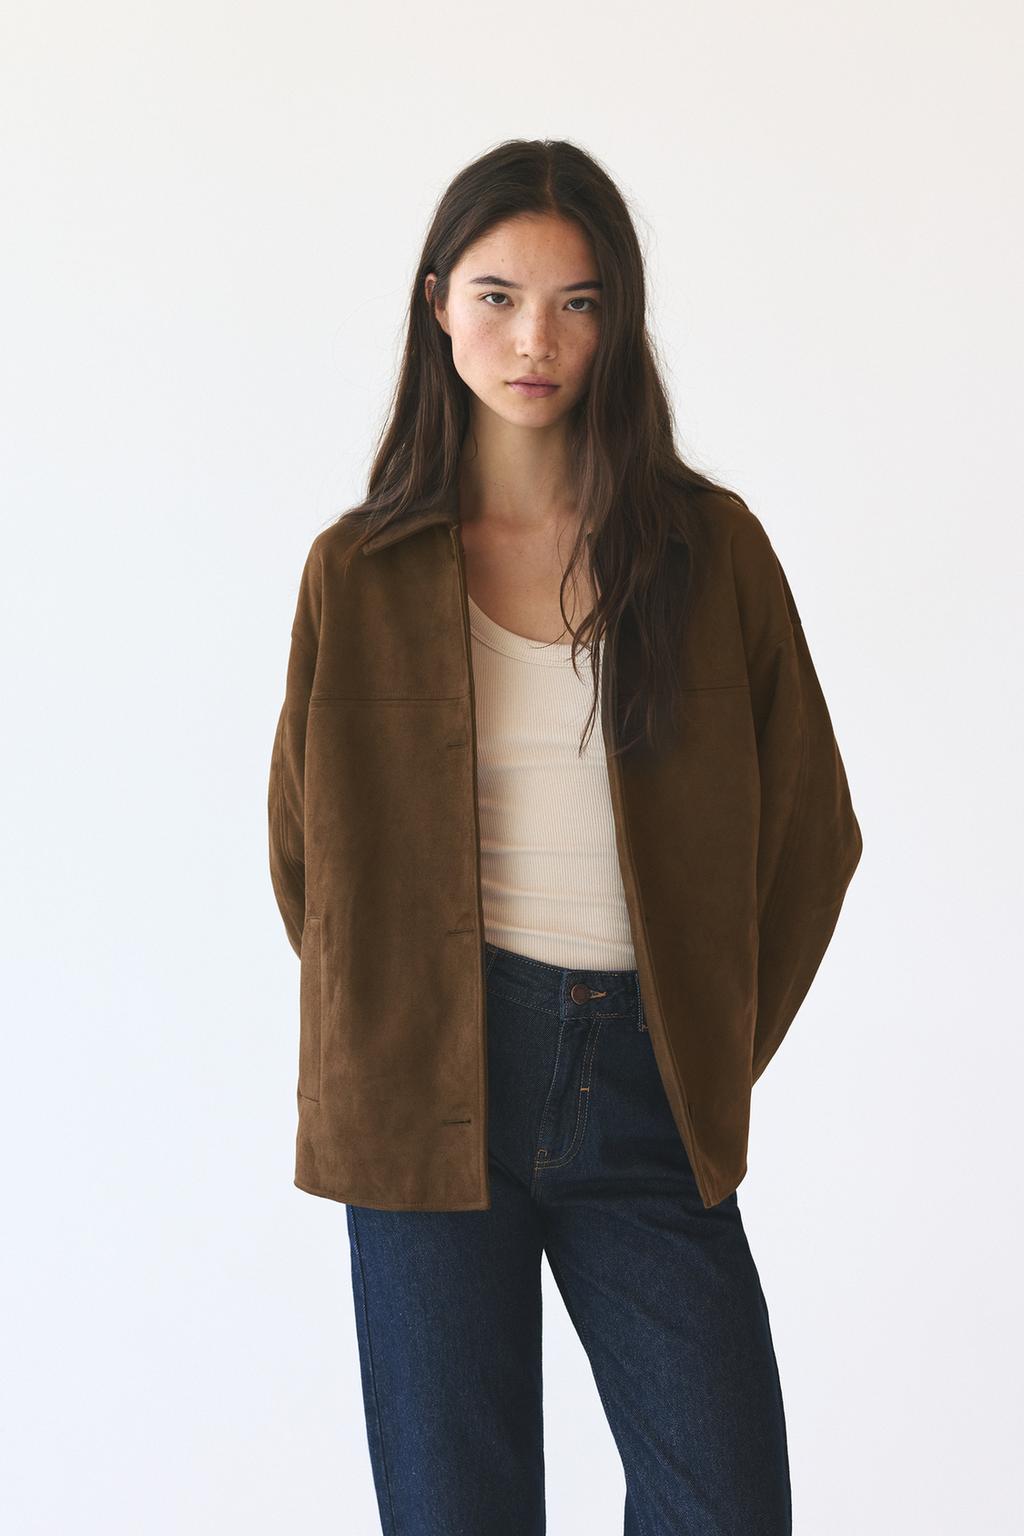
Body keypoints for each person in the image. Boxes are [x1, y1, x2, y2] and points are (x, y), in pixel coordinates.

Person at [267, 138, 863, 1535]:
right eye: (499, 297)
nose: (536, 339)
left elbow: (814, 833)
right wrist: (403, 1015)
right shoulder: (360, 570)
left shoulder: (710, 553)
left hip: (645, 1083)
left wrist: (705, 1039)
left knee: (725, 1503)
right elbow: (306, 854)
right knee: (456, 1512)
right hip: (425, 1095)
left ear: (618, 320)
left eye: (578, 303)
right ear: (437, 305)